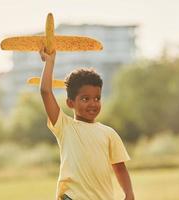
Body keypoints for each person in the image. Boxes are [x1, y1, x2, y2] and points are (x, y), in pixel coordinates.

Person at [39, 45, 134, 200]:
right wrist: (49, 61)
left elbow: (119, 167)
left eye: (97, 98)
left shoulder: (109, 133)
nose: (93, 103)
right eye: (85, 99)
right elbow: (45, 91)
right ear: (70, 103)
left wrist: (129, 193)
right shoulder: (65, 126)